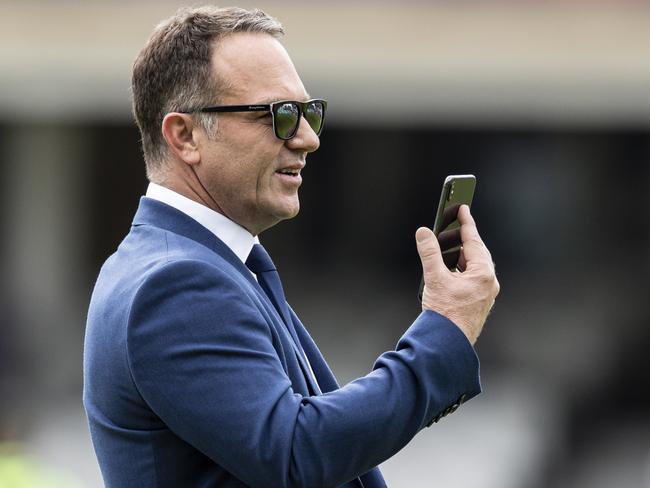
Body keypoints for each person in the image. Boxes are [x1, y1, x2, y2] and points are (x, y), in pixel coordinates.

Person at [83, 6, 500, 488]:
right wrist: (444, 330)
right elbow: (298, 455)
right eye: (279, 115)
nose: (307, 139)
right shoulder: (176, 284)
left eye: (309, 112)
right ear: (186, 135)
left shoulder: (200, 264)